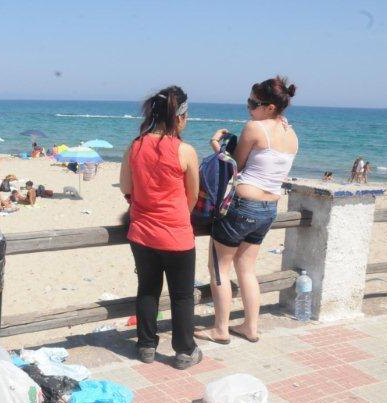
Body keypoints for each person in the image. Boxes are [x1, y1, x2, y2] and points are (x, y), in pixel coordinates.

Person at [196, 76, 299, 345]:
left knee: (219, 267)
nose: (249, 107)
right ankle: (251, 327)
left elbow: (235, 165)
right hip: (268, 209)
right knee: (247, 269)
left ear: (270, 107)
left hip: (242, 205)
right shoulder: (292, 134)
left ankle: (221, 328)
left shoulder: (255, 127)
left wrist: (216, 146)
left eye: (254, 103)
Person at [119, 85, 201, 368]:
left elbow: (126, 188)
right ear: (179, 116)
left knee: (148, 289)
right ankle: (184, 351)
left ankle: (146, 346)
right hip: (177, 235)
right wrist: (177, 215)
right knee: (182, 295)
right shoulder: (185, 151)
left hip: (142, 232)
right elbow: (193, 195)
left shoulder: (135, 145)